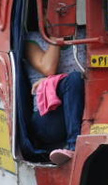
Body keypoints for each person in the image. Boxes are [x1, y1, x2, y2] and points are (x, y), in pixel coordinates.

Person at [24, 29, 86, 165]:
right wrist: (56, 33)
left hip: (82, 110)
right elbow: (48, 68)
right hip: (48, 118)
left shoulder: (83, 36)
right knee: (73, 79)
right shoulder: (32, 39)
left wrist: (52, 80)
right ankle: (73, 146)